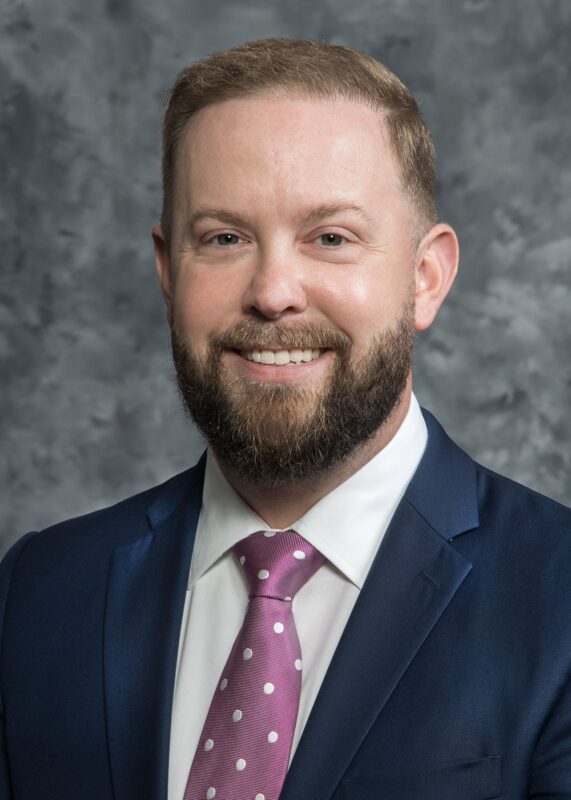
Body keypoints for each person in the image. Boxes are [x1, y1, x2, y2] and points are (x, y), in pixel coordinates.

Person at [1, 37, 570, 800]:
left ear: (424, 277)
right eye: (224, 238)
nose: (272, 292)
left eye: (330, 238)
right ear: (168, 271)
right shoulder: (36, 594)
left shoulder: (557, 600)